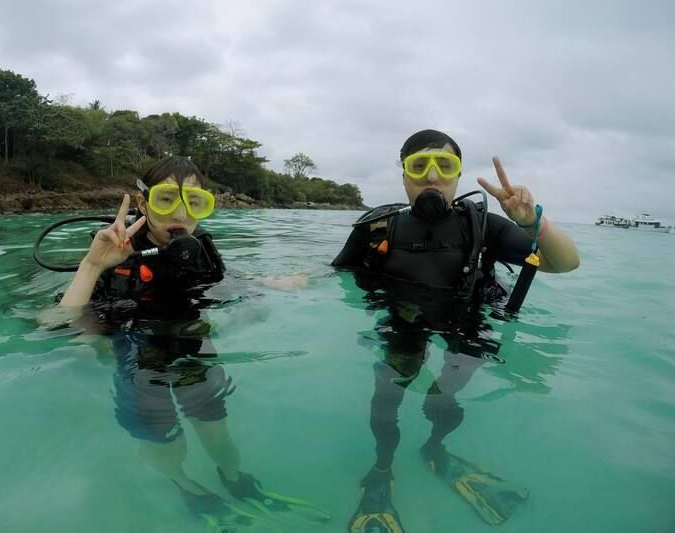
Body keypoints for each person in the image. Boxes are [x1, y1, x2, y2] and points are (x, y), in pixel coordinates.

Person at [57, 156, 328, 530]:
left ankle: (234, 479)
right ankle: (185, 485)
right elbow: (57, 324)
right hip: (139, 356)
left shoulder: (200, 247)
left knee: (218, 433)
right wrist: (91, 267)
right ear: (143, 203)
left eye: (194, 202)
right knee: (167, 443)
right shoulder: (111, 250)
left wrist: (269, 283)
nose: (180, 214)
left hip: (190, 345)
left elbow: (226, 283)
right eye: (167, 199)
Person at [333, 129, 579, 532]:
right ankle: (381, 471)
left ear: (458, 175)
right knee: (385, 401)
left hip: (465, 326)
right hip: (403, 324)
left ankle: (435, 450)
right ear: (403, 176)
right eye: (419, 166)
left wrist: (536, 222)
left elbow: (565, 263)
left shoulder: (483, 228)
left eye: (444, 166)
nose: (432, 177)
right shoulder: (377, 229)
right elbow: (333, 274)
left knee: (441, 403)